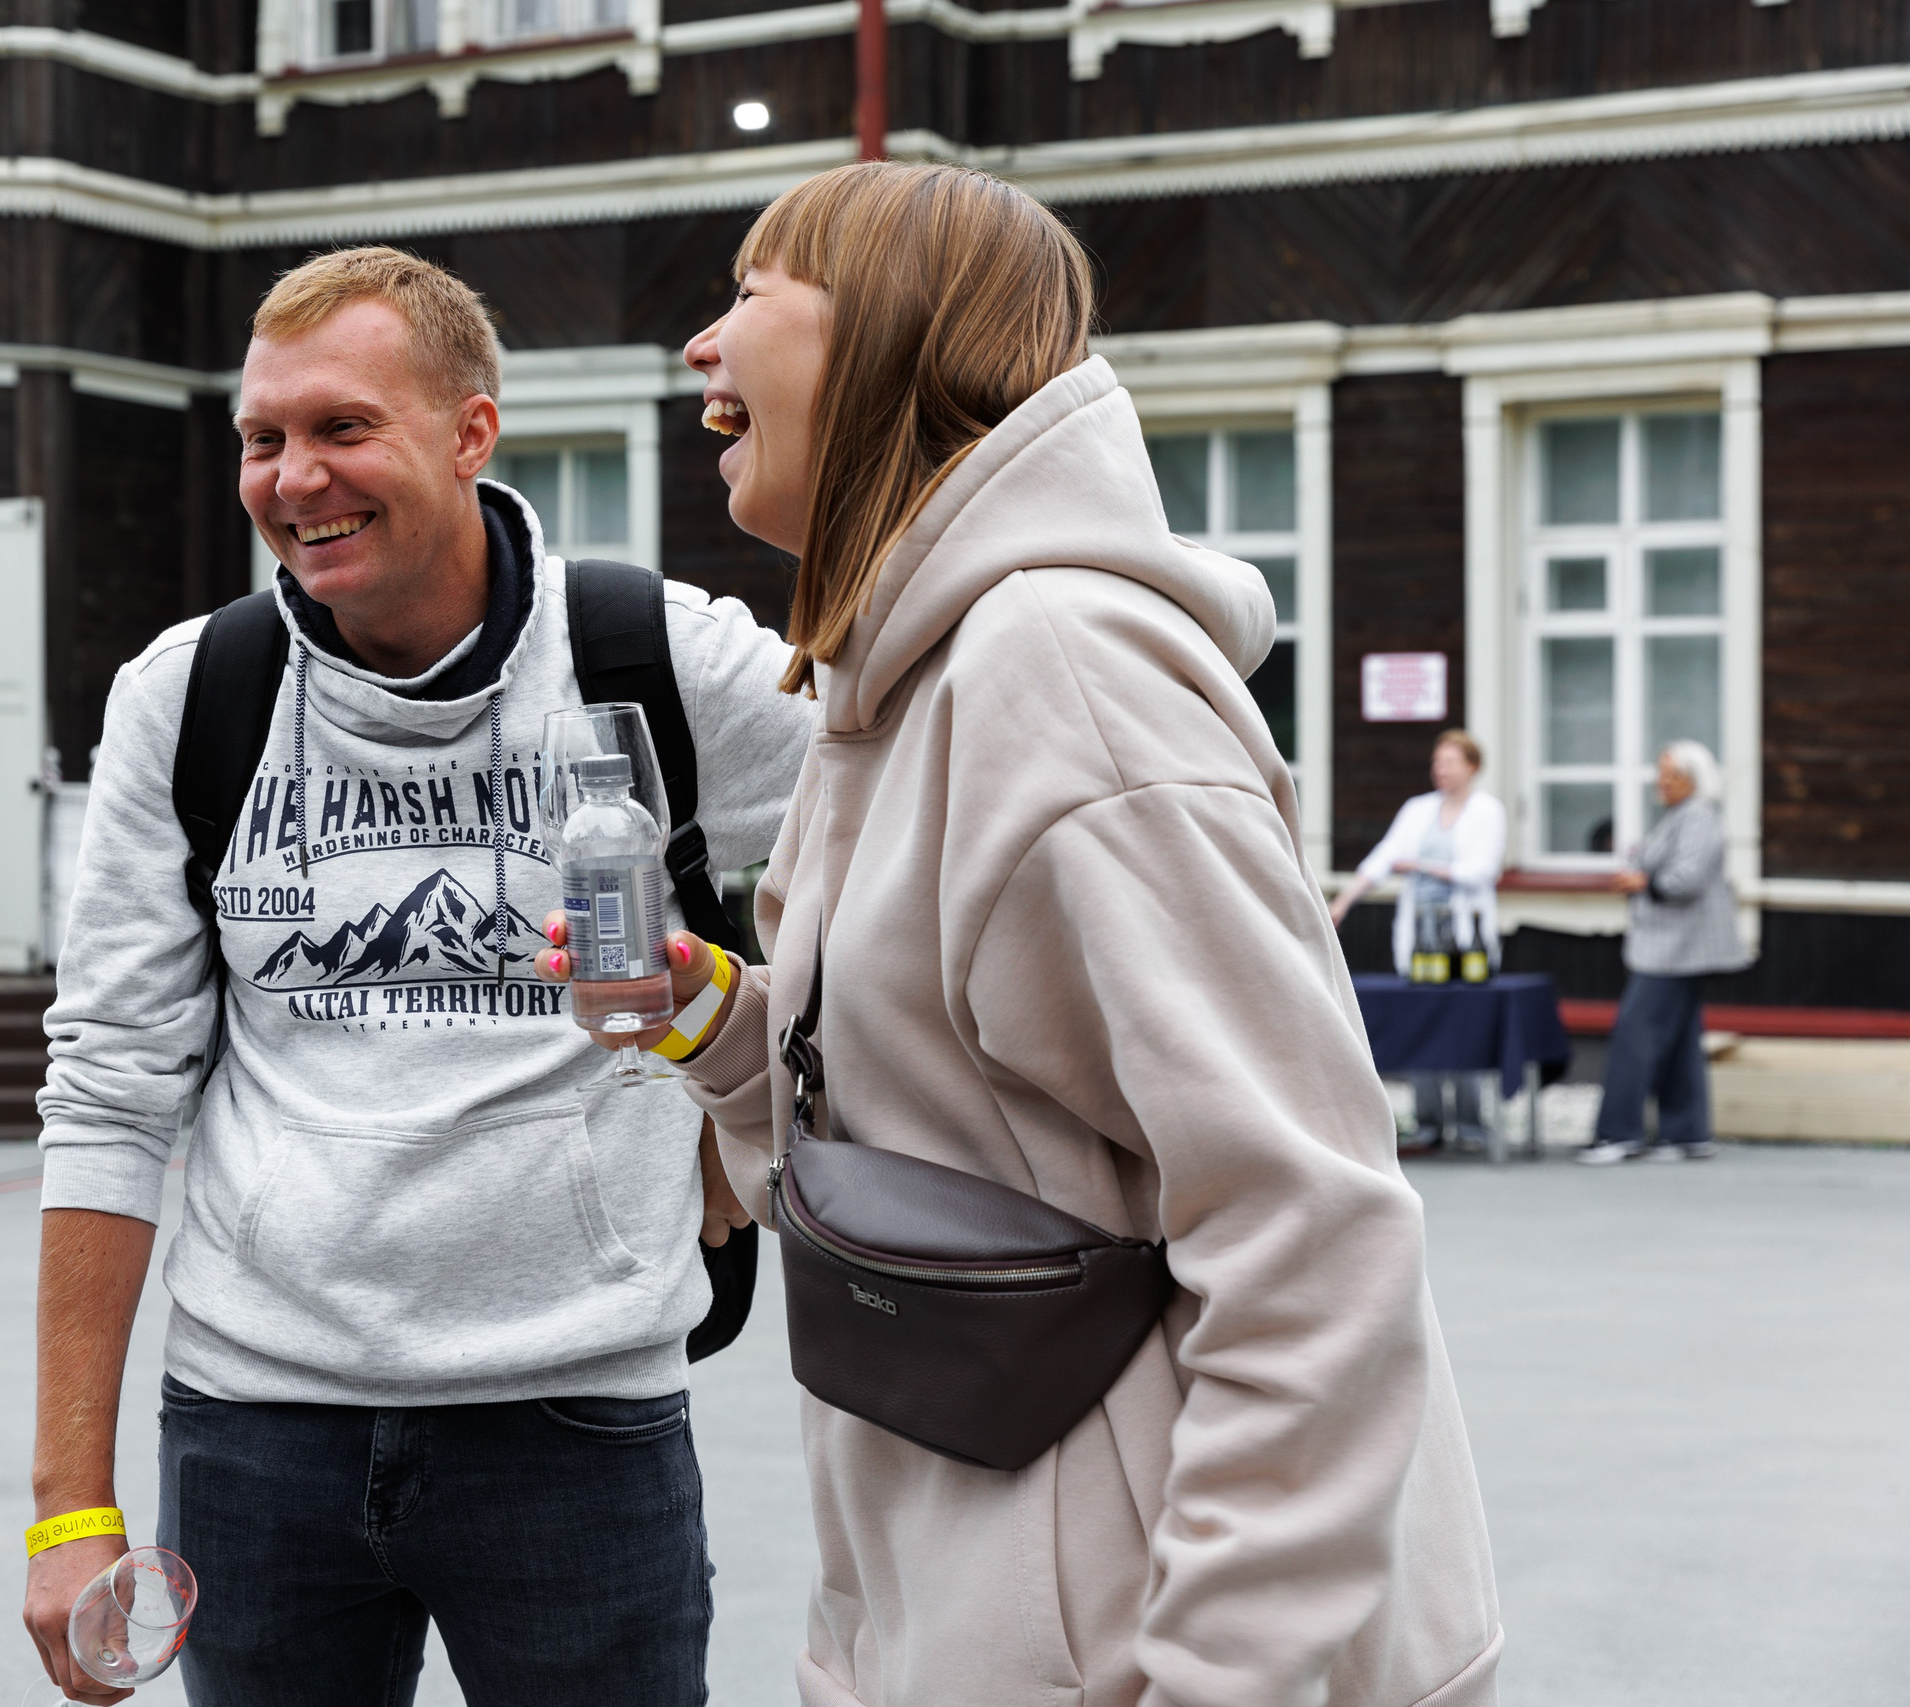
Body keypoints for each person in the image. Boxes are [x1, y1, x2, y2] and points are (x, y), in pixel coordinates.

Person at [545, 162, 1501, 1707]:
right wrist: (720, 1020)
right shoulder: (902, 674)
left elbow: (1310, 1231)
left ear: (887, 339)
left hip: (1138, 1643)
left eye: (750, 293)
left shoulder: (1054, 667)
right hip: (965, 1596)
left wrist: (1218, 1676)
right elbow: (958, 1115)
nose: (699, 348)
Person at [25, 247, 812, 1707]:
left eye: (341, 427)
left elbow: (922, 834)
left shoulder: (659, 657)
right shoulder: (190, 696)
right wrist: (71, 1504)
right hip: (256, 1426)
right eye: (262, 438)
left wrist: (730, 1042)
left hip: (579, 1413)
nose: (292, 477)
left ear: (469, 431)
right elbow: (111, 1090)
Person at [1329, 729, 1509, 1147]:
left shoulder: (1487, 811)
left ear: (1472, 767)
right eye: (1436, 762)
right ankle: (1429, 1123)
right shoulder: (1417, 809)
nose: (1440, 770)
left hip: (1466, 938)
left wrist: (1424, 867)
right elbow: (1384, 858)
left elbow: (1480, 870)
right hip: (1422, 936)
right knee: (1421, 1024)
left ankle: (1470, 1124)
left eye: (1449, 762)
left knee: (1465, 1026)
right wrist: (1342, 903)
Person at [1580, 740, 1748, 1165]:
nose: (1662, 782)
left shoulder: (1698, 817)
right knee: (1679, 1042)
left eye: (1670, 774)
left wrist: (1641, 882)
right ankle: (1687, 1134)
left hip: (1675, 951)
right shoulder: (1685, 816)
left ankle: (1618, 1134)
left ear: (1691, 780)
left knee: (1634, 1036)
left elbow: (1686, 879)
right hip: (1675, 948)